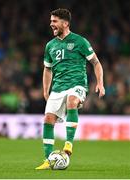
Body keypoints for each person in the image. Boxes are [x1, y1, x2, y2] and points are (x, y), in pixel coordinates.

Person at [35, 8, 105, 170]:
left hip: (77, 84)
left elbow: (96, 62)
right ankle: (48, 160)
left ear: (65, 23)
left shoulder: (80, 41)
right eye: (51, 21)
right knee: (48, 120)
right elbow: (47, 69)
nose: (51, 24)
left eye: (55, 21)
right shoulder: (50, 45)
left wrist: (100, 83)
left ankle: (68, 144)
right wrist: (46, 90)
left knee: (72, 101)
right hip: (58, 87)